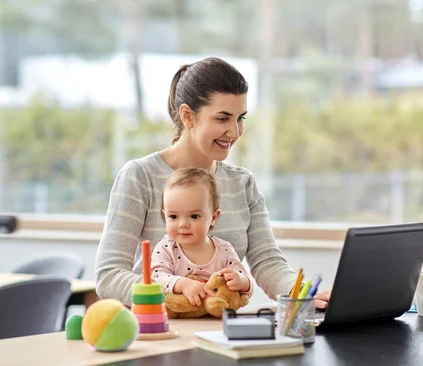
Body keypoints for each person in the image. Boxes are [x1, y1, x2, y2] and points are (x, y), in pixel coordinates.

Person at [95, 57, 330, 308]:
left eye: (240, 118)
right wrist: (178, 292)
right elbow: (109, 276)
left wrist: (302, 292)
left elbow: (267, 262)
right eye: (222, 119)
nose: (235, 131)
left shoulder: (242, 183)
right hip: (159, 331)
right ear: (187, 116)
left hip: (224, 332)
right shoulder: (139, 176)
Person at [151, 167, 254, 306]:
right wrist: (182, 284)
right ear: (165, 215)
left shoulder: (224, 250)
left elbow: (247, 287)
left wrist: (242, 282)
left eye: (194, 216)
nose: (183, 224)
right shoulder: (166, 248)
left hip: (215, 322)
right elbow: (155, 279)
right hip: (179, 321)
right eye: (173, 216)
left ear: (213, 217)